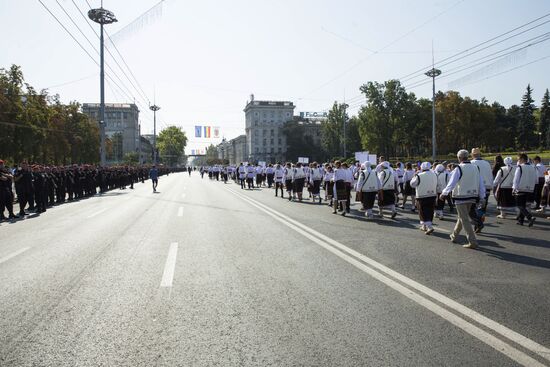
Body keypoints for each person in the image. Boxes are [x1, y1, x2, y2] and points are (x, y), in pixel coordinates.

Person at [440, 149, 485, 249]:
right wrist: (482, 196)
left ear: (459, 158)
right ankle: (454, 235)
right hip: (473, 196)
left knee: (464, 219)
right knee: (462, 218)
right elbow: (480, 183)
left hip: (460, 197)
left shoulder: (458, 168)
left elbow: (451, 184)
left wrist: (444, 193)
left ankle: (472, 241)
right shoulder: (475, 167)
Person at [411, 162, 438, 234]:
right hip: (432, 195)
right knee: (430, 211)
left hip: (422, 196)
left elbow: (412, 184)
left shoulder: (419, 175)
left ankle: (429, 227)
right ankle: (424, 226)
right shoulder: (434, 174)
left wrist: (414, 176)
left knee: (422, 211)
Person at [512, 153, 537, 227]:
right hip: (530, 189)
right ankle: (521, 221)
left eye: (518, 159)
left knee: (519, 205)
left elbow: (516, 179)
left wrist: (514, 188)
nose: (518, 161)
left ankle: (530, 217)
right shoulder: (533, 167)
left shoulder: (520, 167)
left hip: (521, 188)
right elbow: (536, 179)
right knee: (523, 205)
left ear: (522, 159)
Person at [471, 148, 493, 219]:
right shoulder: (487, 163)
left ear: (472, 155)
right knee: (483, 205)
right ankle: (481, 218)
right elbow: (490, 175)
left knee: (475, 206)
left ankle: (478, 222)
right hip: (487, 187)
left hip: (476, 187)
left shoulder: (471, 163)